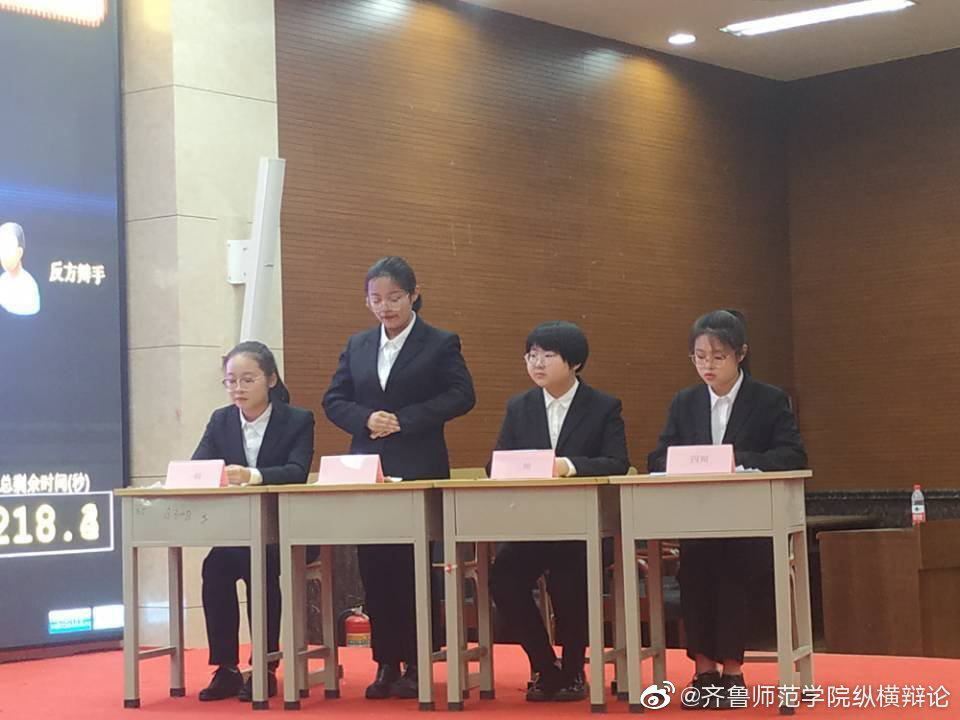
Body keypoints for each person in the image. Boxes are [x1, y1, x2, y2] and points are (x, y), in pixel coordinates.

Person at [323, 256, 475, 700]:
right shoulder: (357, 345)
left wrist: (405, 420)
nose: (384, 307)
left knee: (413, 568)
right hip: (367, 470)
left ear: (413, 295)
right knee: (374, 567)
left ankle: (417, 660)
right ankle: (386, 661)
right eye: (376, 299)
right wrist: (366, 419)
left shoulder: (440, 342)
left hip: (418, 464)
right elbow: (334, 399)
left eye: (393, 298)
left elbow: (462, 395)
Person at [647, 309, 806, 710]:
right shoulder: (685, 401)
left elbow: (792, 454)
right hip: (700, 520)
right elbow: (658, 456)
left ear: (741, 354)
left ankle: (733, 672)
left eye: (718, 357)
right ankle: (704, 671)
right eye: (699, 357)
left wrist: (737, 460)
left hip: (752, 523)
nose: (708, 366)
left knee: (734, 570)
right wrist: (683, 461)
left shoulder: (768, 400)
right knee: (693, 570)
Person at [488, 320, 630, 702]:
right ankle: (543, 664)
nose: (537, 363)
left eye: (548, 355)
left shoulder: (603, 406)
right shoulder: (519, 407)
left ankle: (573, 669)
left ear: (575, 362)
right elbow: (495, 464)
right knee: (503, 578)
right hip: (532, 526)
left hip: (584, 528)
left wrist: (566, 466)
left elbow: (617, 462)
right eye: (531, 355)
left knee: (570, 581)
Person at [194, 341, 315, 702]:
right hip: (238, 531)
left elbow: (296, 472)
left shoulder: (297, 419)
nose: (238, 388)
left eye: (248, 380)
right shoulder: (221, 420)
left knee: (258, 565)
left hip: (284, 531)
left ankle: (266, 665)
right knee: (214, 567)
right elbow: (199, 466)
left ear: (271, 380)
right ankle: (226, 668)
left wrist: (253, 476)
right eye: (231, 381)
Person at [0, 222, 40, 316]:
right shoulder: (2, 279)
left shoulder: (29, 286)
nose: (3, 256)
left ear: (19, 252)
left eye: (7, 249)